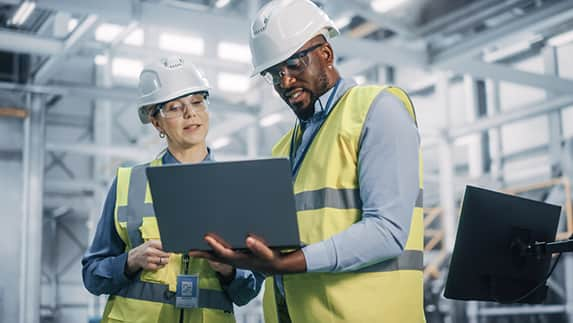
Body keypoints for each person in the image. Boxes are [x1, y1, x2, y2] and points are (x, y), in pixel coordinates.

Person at [189, 0, 425, 322]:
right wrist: (233, 267)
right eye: (274, 74)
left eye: (294, 65)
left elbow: (388, 231)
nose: (284, 82)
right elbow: (272, 260)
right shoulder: (283, 149)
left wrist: (290, 262)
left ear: (325, 54)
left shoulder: (376, 111)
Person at [82, 56, 264, 323]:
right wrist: (130, 261)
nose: (191, 114)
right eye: (175, 108)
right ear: (156, 122)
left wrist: (229, 270)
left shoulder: (236, 187)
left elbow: (248, 290)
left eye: (197, 102)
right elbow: (92, 276)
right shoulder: (128, 183)